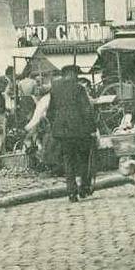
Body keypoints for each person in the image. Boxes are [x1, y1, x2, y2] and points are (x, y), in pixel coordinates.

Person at [46, 65, 96, 201]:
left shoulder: (55, 89)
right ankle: (84, 187)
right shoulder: (79, 88)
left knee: (68, 160)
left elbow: (50, 112)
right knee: (84, 159)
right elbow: (86, 110)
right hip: (80, 131)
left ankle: (71, 192)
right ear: (73, 74)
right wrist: (92, 128)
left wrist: (56, 125)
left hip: (63, 132)